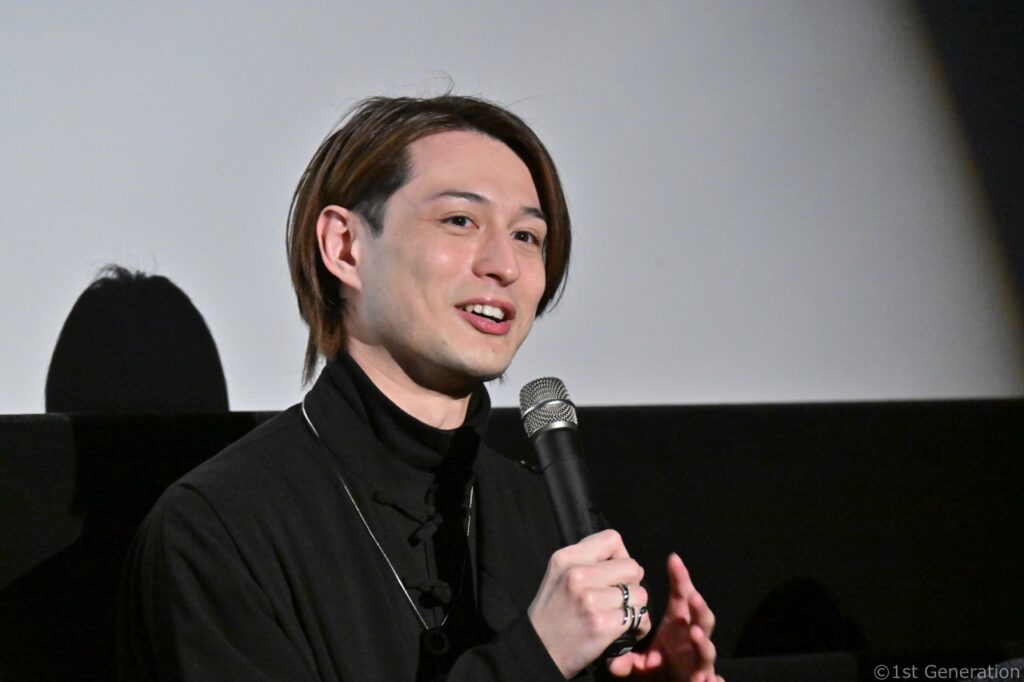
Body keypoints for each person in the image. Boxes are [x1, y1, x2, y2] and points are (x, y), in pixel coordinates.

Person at [117, 94, 722, 681]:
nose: (504, 265)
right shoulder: (217, 528)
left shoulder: (542, 517)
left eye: (527, 236)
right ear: (345, 246)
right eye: (460, 221)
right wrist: (533, 658)